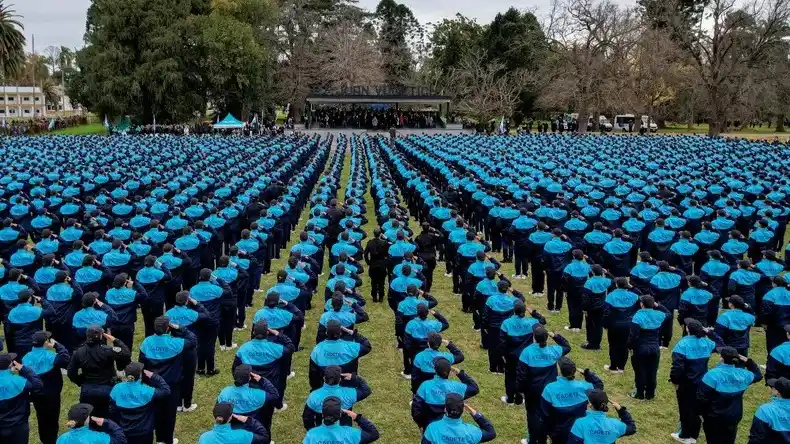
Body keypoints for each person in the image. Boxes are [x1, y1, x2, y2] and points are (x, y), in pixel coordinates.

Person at [138, 316, 198, 444]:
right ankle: (168, 440)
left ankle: (160, 439)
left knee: (157, 412)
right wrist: (181, 328)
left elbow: (141, 363)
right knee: (170, 415)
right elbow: (193, 340)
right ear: (168, 328)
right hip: (172, 384)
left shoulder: (146, 342)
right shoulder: (175, 343)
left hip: (153, 384)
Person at [669, 319, 723, 444]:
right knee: (697, 409)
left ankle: (684, 435)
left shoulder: (682, 344)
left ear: (687, 329)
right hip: (703, 381)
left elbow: (677, 367)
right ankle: (694, 435)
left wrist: (675, 381)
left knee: (685, 409)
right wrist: (710, 333)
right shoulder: (707, 342)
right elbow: (721, 345)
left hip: (686, 383)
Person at [516, 325, 572, 444]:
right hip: (550, 389)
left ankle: (532, 439)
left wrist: (520, 389)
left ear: (534, 337)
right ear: (547, 338)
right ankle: (544, 438)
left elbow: (521, 374)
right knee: (548, 415)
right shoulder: (554, 350)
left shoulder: (527, 352)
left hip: (533, 390)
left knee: (532, 415)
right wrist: (556, 336)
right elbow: (567, 346)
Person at [697, 346, 763, 444]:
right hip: (734, 416)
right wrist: (748, 361)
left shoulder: (712, 375)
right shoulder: (743, 374)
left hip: (714, 417)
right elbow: (758, 375)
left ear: (722, 358)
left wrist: (700, 413)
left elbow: (701, 397)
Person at [68, 326, 131, 417]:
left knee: (89, 418)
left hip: (88, 390)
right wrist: (115, 340)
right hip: (107, 388)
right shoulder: (107, 350)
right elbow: (126, 353)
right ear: (101, 336)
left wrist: (81, 381)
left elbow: (71, 373)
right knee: (109, 418)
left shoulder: (78, 352)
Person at [538, 357, 604, 444]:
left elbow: (544, 415)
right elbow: (599, 385)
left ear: (560, 372)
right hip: (578, 431)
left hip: (558, 432)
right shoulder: (584, 387)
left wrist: (543, 435)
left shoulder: (550, 389)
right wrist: (588, 374)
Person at [233, 320, 295, 412]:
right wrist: (278, 334)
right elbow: (290, 347)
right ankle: (277, 406)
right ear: (267, 332)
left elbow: (235, 368)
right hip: (270, 385)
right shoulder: (274, 348)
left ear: (253, 332)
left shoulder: (243, 348)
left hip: (251, 385)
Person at [22, 331, 71, 444]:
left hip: (36, 394)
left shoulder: (25, 358)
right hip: (52, 393)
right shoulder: (51, 356)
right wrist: (57, 346)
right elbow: (66, 359)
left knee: (41, 417)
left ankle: (44, 439)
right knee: (52, 418)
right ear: (45, 342)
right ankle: (51, 440)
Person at [109, 362, 171, 444]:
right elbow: (166, 390)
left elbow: (113, 410)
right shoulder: (146, 391)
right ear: (141, 375)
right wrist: (153, 376)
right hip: (144, 432)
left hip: (124, 431)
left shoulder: (117, 388)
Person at [411, 358, 480, 429]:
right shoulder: (456, 387)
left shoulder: (425, 386)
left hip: (429, 426)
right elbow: (474, 388)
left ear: (435, 370)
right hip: (449, 427)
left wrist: (420, 423)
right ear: (450, 371)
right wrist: (459, 373)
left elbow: (416, 407)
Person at [627, 295, 670, 400]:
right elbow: (669, 314)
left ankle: (639, 394)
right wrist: (658, 305)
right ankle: (650, 394)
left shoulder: (638, 316)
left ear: (642, 304)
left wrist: (630, 347)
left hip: (641, 348)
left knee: (640, 371)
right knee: (652, 371)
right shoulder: (659, 314)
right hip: (655, 347)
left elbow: (633, 335)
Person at [302, 365, 372, 430]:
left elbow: (307, 417)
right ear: (340, 380)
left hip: (322, 430)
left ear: (324, 378)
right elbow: (366, 390)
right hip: (344, 430)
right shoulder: (349, 393)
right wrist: (354, 377)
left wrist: (312, 431)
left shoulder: (314, 396)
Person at [217, 364, 280, 435]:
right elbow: (275, 396)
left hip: (233, 429)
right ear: (249, 378)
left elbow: (218, 408)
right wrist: (261, 380)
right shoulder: (257, 394)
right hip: (252, 428)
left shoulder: (225, 391)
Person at [309, 320, 372, 390]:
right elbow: (367, 346)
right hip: (348, 389)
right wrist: (353, 333)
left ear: (326, 332)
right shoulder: (351, 347)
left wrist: (315, 389)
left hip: (326, 390)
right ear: (340, 332)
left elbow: (313, 374)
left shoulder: (317, 349)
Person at [0, 352, 44, 444]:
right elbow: (38, 384)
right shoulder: (19, 381)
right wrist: (23, 368)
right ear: (10, 365)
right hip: (19, 425)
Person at [567, 389, 636, 444]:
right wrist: (621, 411)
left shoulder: (580, 424)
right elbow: (632, 428)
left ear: (590, 405)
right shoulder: (615, 424)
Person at [422, 394, 496, 444]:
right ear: (463, 410)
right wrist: (474, 413)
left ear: (445, 409)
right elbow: (491, 433)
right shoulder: (471, 431)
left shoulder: (432, 428)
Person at [303, 396, 380, 444]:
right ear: (340, 415)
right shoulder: (352, 433)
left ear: (322, 414)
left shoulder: (312, 434)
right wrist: (357, 417)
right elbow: (374, 434)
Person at [198, 402, 271, 444]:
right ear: (230, 417)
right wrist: (249, 420)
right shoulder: (243, 435)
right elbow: (264, 437)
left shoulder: (204, 438)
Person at [56, 403, 127, 444]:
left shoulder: (62, 438)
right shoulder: (98, 437)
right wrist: (107, 423)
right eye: (88, 415)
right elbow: (121, 440)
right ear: (85, 421)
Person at [748, 377, 790, 443]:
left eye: (773, 387)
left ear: (778, 392)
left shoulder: (765, 410)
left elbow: (756, 438)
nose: (771, 388)